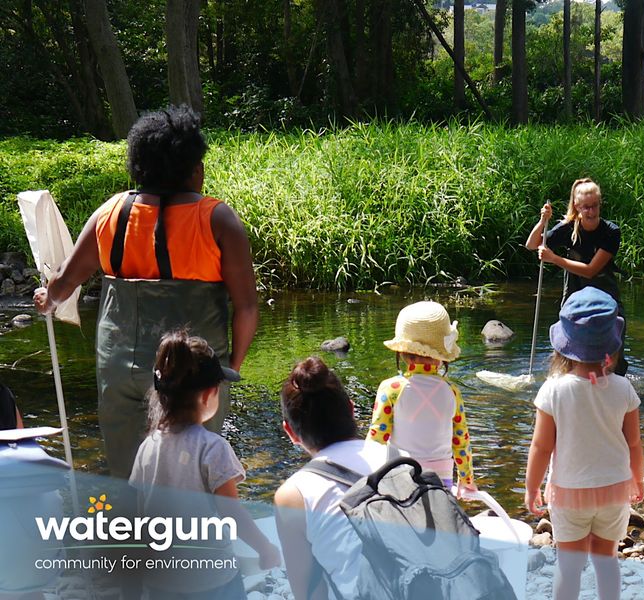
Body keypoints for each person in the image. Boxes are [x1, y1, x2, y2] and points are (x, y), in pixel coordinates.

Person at [33, 106, 257, 480]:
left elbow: (64, 283)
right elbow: (246, 307)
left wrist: (48, 300)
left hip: (120, 368)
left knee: (127, 477)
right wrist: (231, 366)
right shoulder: (217, 219)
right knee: (193, 477)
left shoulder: (111, 213)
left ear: (137, 167)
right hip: (193, 371)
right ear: (194, 169)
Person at [128, 331, 279, 599]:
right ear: (209, 394)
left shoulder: (147, 447)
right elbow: (233, 515)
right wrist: (265, 548)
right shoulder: (212, 448)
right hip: (210, 580)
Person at [524, 287, 644, 600]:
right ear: (612, 346)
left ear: (564, 347)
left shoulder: (554, 391)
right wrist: (637, 479)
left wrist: (531, 488)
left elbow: (540, 447)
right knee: (607, 560)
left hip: (569, 492)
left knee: (569, 564)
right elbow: (634, 443)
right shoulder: (623, 389)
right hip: (615, 490)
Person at [274, 357, 389, 600]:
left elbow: (306, 592)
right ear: (351, 408)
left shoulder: (293, 495)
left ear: (290, 432)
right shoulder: (401, 457)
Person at [365, 300, 476, 495]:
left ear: (403, 353)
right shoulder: (452, 391)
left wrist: (365, 478)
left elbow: (377, 439)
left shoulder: (391, 389)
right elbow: (461, 441)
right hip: (441, 479)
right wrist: (466, 479)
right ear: (442, 355)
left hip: (400, 475)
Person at [524, 178, 628, 376]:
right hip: (574, 293)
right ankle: (566, 383)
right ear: (577, 206)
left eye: (595, 206)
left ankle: (614, 383)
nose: (591, 212)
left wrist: (554, 258)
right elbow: (532, 244)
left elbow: (591, 270)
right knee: (568, 350)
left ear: (600, 204)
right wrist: (543, 221)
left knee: (615, 346)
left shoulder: (611, 232)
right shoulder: (568, 229)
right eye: (586, 207)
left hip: (604, 292)